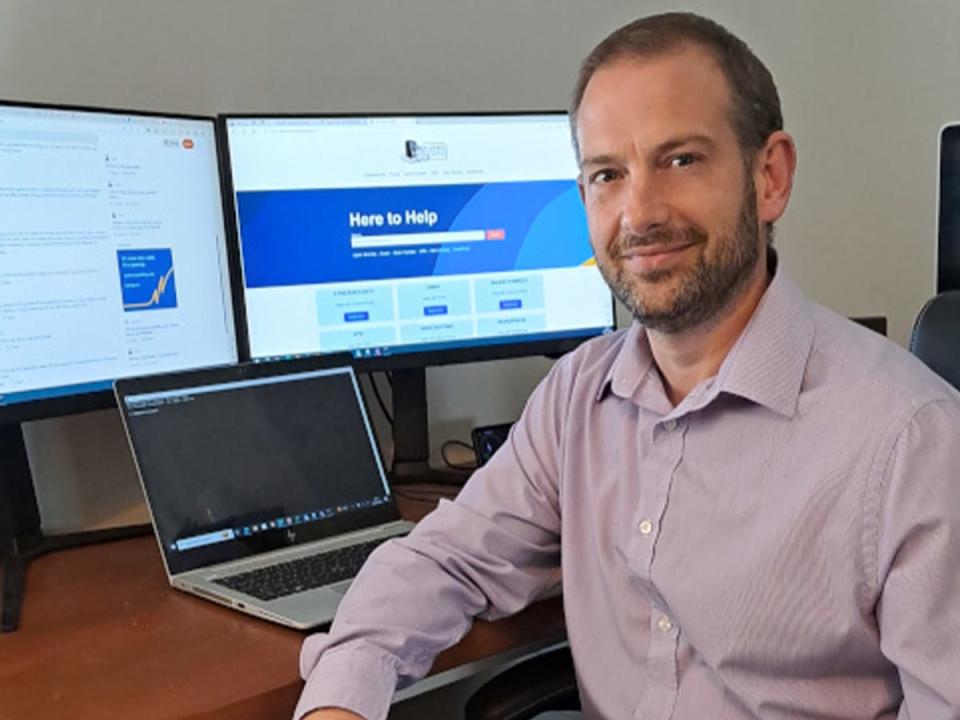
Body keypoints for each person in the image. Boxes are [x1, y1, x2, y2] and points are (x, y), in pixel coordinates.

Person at [297, 12, 960, 720]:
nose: (638, 213)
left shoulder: (912, 442)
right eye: (607, 174)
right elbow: (443, 561)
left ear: (770, 177)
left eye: (680, 160)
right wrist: (341, 699)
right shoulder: (578, 396)